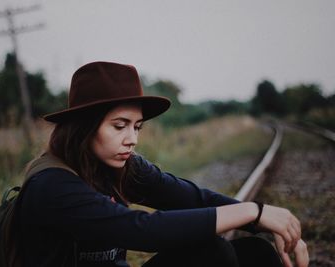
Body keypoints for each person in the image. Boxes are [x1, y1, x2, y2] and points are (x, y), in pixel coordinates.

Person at [18, 61, 309, 267]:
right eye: (119, 126)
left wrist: (265, 222)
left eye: (137, 127)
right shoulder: (52, 185)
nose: (132, 139)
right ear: (83, 128)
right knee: (215, 253)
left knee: (255, 253)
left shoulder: (121, 166)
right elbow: (141, 229)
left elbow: (192, 199)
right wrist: (251, 210)